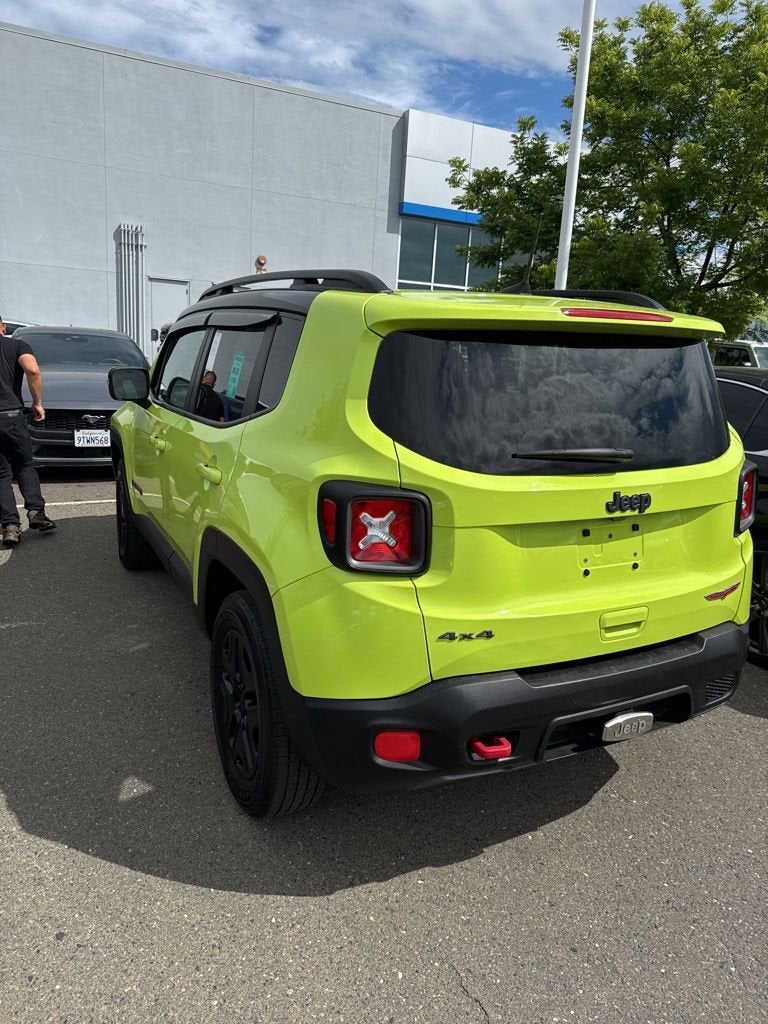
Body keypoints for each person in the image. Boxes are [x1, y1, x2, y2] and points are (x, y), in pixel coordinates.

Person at [0, 314, 55, 546]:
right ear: (2, 326)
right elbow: (32, 370)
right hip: (11, 414)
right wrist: (37, 402)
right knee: (24, 464)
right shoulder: (16, 345)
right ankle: (35, 512)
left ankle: (10, 527)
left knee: (1, 474)